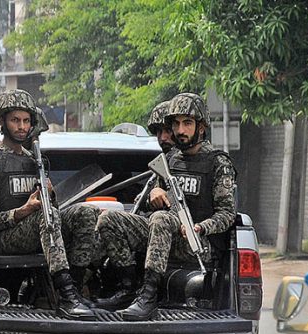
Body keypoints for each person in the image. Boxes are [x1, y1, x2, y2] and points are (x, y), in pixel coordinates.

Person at [96, 92, 237, 321]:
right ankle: (128, 288)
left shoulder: (218, 163)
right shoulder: (170, 160)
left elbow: (227, 214)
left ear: (201, 127)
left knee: (161, 219)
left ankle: (148, 297)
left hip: (197, 243)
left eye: (187, 123)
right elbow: (155, 205)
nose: (180, 130)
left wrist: (201, 227)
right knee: (109, 219)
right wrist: (155, 192)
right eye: (176, 124)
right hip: (164, 235)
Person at [0, 89, 99, 321]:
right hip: (2, 238)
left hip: (34, 231)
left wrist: (50, 196)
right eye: (15, 120)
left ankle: (77, 286)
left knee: (85, 213)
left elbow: (54, 213)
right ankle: (66, 295)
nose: (22, 126)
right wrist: (24, 210)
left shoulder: (34, 161)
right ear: (2, 121)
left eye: (26, 121)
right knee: (47, 215)